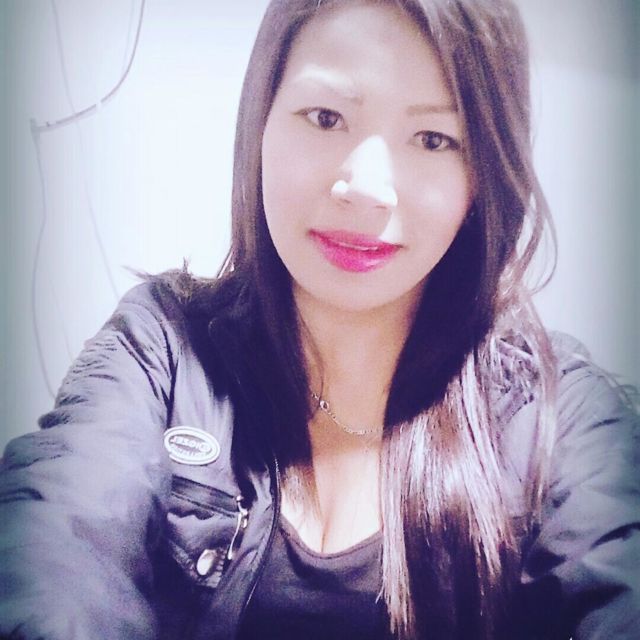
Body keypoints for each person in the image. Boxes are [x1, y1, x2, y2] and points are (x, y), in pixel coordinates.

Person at [0, 0, 638, 638]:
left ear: (483, 176)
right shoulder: (163, 352)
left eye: (433, 138)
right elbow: (53, 549)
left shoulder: (551, 411)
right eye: (326, 117)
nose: (366, 187)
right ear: (260, 123)